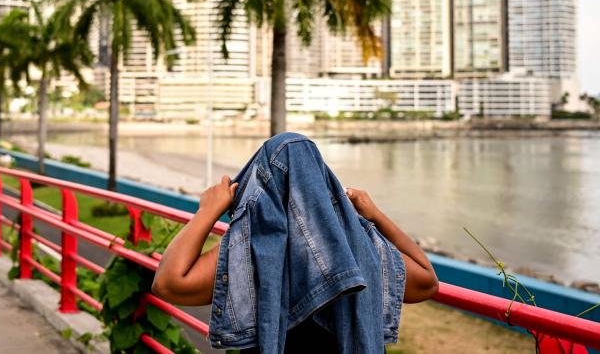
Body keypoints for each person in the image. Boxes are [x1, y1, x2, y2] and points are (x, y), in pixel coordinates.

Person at [153, 133, 438, 353]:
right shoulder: (357, 244)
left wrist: (208, 211)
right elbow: (426, 281)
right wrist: (374, 213)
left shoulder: (251, 250)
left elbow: (168, 282)